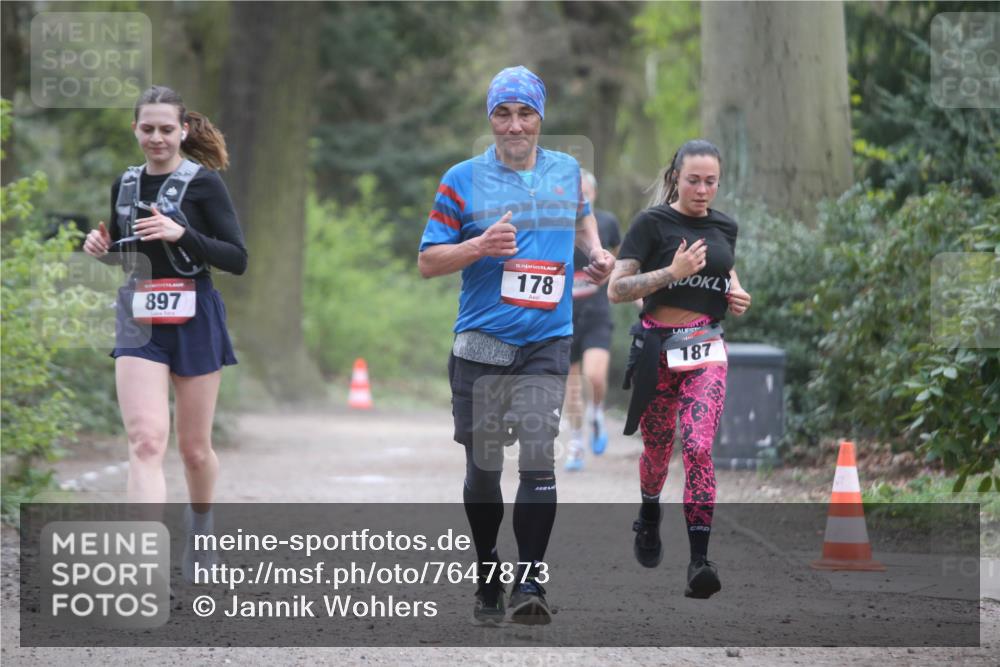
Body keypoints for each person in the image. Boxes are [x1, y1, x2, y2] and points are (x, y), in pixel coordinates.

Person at [418, 66, 614, 624]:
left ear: (540, 118)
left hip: (546, 342)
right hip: (481, 344)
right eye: (503, 113)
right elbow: (428, 260)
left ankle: (531, 581)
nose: (514, 125)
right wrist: (477, 246)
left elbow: (582, 223)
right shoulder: (461, 179)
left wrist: (596, 254)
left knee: (537, 455)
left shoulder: (567, 171)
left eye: (525, 113)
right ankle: (488, 572)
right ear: (490, 119)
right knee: (483, 470)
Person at [83, 85, 247, 582]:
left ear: (183, 131)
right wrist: (99, 245)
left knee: (194, 448)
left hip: (195, 316)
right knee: (146, 441)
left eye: (166, 129)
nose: (156, 138)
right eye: (147, 129)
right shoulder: (125, 185)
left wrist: (183, 234)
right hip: (140, 316)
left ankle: (201, 527)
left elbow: (237, 259)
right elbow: (128, 250)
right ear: (136, 130)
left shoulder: (205, 184)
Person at [607, 139, 751, 599]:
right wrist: (672, 271)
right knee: (656, 452)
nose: (703, 190)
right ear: (676, 177)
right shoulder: (652, 224)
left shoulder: (725, 226)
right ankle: (650, 512)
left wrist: (737, 293)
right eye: (694, 180)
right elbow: (617, 289)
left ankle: (699, 562)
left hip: (706, 350)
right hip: (657, 352)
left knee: (697, 446)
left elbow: (725, 271)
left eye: (711, 182)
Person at [564, 169, 621, 471]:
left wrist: (635, 295)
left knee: (595, 376)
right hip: (563, 315)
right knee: (571, 386)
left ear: (594, 195)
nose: (580, 197)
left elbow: (621, 263)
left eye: (584, 192)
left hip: (596, 311)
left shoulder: (608, 223)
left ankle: (596, 413)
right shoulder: (555, 224)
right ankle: (575, 443)